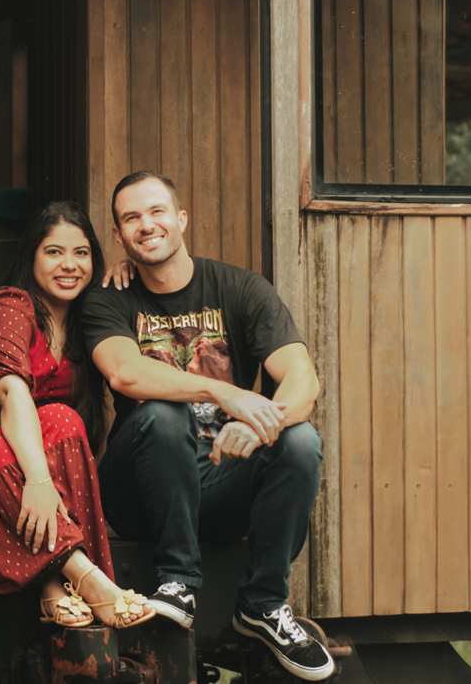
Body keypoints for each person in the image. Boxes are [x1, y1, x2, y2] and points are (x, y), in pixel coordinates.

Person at [83, 171, 332, 680]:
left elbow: (303, 378)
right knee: (161, 408)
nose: (146, 225)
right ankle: (177, 578)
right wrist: (225, 392)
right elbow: (125, 372)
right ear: (119, 236)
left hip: (220, 485)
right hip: (141, 491)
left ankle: (263, 604)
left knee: (301, 440)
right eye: (131, 218)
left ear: (181, 219)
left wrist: (266, 424)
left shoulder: (240, 289)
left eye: (156, 212)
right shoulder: (109, 298)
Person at [0, 201, 154, 629]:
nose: (69, 265)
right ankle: (86, 579)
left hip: (40, 482)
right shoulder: (7, 308)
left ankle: (52, 588)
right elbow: (13, 392)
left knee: (63, 419)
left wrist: (125, 275)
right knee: (5, 442)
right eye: (54, 252)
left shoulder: (85, 326)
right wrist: (37, 481)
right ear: (31, 257)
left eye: (81, 253)